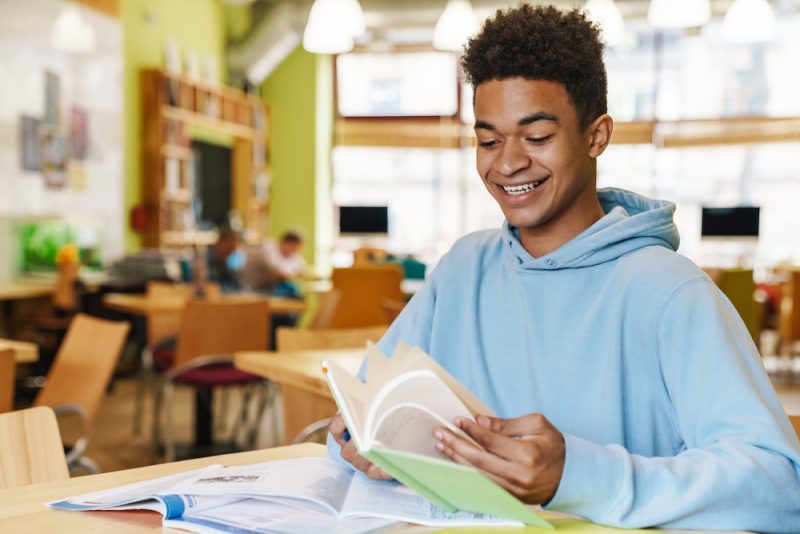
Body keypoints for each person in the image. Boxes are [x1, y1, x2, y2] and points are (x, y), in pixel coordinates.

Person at [328, 5, 800, 531]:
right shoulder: (463, 268)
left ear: (596, 136)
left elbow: (777, 487)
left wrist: (576, 476)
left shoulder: (672, 292)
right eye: (488, 140)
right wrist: (358, 441)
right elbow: (363, 412)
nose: (506, 163)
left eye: (537, 137)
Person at [241, 231, 307, 297]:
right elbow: (276, 272)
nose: (295, 251)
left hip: (268, 288)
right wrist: (294, 273)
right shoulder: (267, 248)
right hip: (251, 287)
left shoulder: (291, 255)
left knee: (295, 292)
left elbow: (300, 266)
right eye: (294, 247)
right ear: (286, 243)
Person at [206, 225, 241, 293]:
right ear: (219, 242)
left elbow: (236, 285)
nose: (231, 250)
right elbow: (211, 287)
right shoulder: (207, 261)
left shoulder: (224, 262)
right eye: (229, 246)